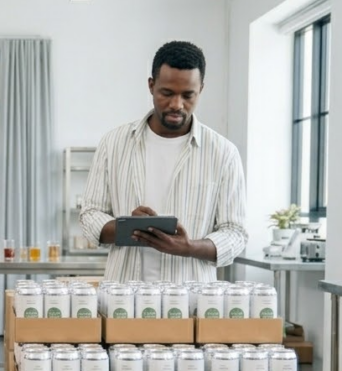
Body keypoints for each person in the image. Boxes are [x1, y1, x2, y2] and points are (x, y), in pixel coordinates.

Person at [79, 41, 247, 283]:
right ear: (151, 86)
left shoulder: (223, 153)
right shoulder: (113, 143)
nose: (176, 104)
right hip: (124, 301)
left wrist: (189, 247)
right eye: (167, 93)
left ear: (201, 89)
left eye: (188, 95)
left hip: (192, 302)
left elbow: (236, 233)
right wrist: (127, 228)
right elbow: (90, 215)